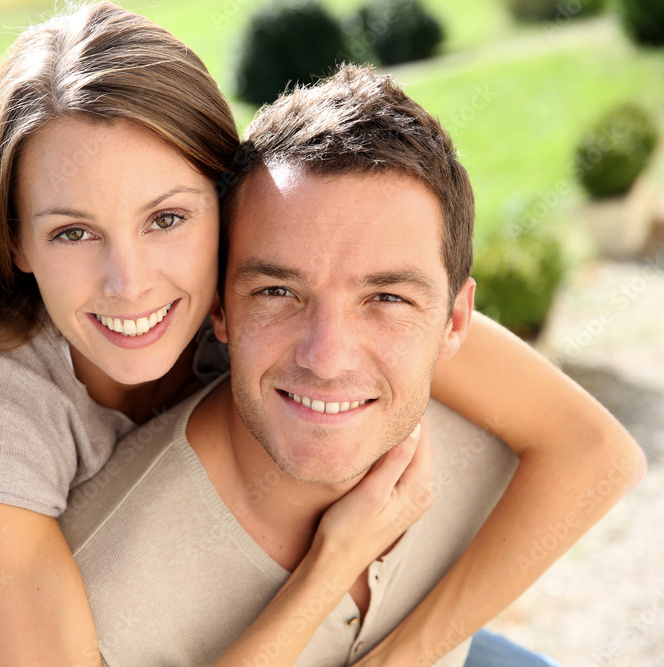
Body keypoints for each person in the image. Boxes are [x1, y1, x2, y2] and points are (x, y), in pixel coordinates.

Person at [0, 4, 644, 666]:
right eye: (73, 234)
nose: (131, 283)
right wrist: (336, 560)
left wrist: (406, 654)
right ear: (15, 241)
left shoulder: (262, 278)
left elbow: (593, 450)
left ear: (226, 209)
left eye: (166, 218)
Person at [57, 64, 645, 666]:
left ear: (457, 321)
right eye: (278, 293)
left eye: (385, 299)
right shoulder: (103, 600)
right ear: (220, 309)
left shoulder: (471, 394)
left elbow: (598, 456)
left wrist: (407, 654)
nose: (327, 357)